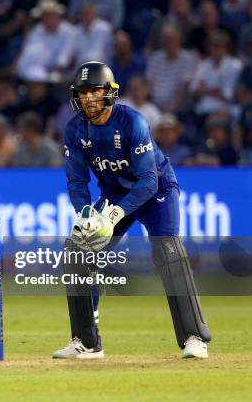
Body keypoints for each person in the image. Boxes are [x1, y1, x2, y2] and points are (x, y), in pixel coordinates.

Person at [54, 61, 211, 359]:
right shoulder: (75, 129)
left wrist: (115, 214)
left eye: (95, 92)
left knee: (168, 250)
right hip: (115, 193)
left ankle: (194, 337)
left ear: (110, 93)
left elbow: (148, 180)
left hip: (156, 190)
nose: (88, 99)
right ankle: (87, 342)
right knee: (76, 250)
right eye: (83, 93)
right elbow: (76, 181)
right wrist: (86, 213)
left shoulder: (132, 122)